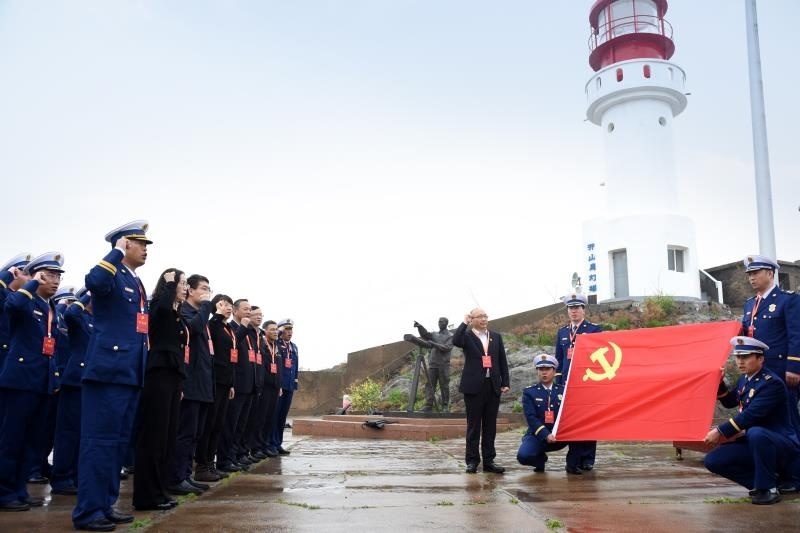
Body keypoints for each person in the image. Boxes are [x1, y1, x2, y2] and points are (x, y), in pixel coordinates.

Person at [72, 220, 152, 532]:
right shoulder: (111, 272)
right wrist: (115, 253)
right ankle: (88, 511)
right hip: (108, 371)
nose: (145, 249)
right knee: (99, 443)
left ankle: (105, 505)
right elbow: (94, 281)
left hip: (130, 372)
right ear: (124, 243)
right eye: (140, 243)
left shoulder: (135, 280)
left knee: (117, 445)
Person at [0, 252, 64, 512]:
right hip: (20, 381)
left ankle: (19, 490)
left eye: (58, 276)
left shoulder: (50, 308)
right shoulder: (25, 301)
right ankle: (4, 492)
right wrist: (32, 283)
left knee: (32, 441)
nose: (55, 281)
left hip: (42, 382)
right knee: (11, 439)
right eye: (49, 275)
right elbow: (12, 306)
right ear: (36, 274)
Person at [703, 336, 800, 505]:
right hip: (757, 443)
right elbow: (730, 401)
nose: (740, 361)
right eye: (738, 357)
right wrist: (719, 382)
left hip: (781, 446)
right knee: (713, 460)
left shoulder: (771, 384)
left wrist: (719, 432)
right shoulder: (746, 379)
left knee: (756, 432)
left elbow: (750, 416)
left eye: (745, 357)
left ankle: (767, 489)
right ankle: (765, 484)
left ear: (760, 359)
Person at [133, 269, 187, 511]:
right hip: (158, 375)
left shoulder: (177, 312)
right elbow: (159, 315)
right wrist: (167, 286)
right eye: (182, 283)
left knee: (167, 437)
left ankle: (160, 490)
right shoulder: (159, 305)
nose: (185, 287)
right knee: (154, 437)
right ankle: (147, 496)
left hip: (173, 376)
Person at [740, 255, 800, 426]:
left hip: (780, 370)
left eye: (756, 273)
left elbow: (797, 334)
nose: (751, 277)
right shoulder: (749, 304)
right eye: (749, 274)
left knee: (788, 416)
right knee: (758, 416)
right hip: (756, 370)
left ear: (770, 273)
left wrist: (794, 366)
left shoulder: (788, 300)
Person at [170, 274, 215, 493]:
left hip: (203, 384)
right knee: (185, 433)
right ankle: (177, 476)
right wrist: (206, 306)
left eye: (209, 289)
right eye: (204, 288)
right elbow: (193, 330)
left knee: (195, 433)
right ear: (191, 290)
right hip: (190, 383)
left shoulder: (200, 315)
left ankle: (186, 474)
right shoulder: (185, 313)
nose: (207, 293)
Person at [452, 308, 509, 474]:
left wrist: (505, 382)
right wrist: (464, 323)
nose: (484, 319)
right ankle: (472, 461)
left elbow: (502, 360)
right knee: (474, 425)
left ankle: (489, 461)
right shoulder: (467, 336)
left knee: (490, 426)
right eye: (480, 316)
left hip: (492, 385)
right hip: (474, 387)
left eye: (486, 316)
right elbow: (456, 340)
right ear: (472, 319)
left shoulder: (495, 337)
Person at [51, 286, 93, 496]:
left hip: (90, 382)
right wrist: (88, 295)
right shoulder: (79, 316)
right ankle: (61, 477)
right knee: (68, 432)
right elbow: (72, 313)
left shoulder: (99, 320)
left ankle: (76, 475)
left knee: (83, 433)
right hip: (75, 379)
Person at [554, 293, 602, 471]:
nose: (573, 311)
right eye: (570, 308)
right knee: (574, 420)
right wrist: (559, 381)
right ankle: (575, 456)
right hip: (567, 383)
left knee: (589, 420)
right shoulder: (562, 332)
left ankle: (588, 457)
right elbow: (559, 358)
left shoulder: (594, 330)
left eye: (577, 308)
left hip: (587, 382)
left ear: (583, 309)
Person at [517, 354, 584, 474]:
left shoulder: (564, 391)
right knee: (523, 456)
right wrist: (545, 434)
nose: (544, 373)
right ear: (537, 371)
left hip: (561, 434)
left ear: (554, 371)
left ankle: (572, 465)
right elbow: (531, 418)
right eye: (541, 369)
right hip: (539, 435)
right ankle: (540, 460)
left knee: (580, 431)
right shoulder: (529, 392)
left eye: (547, 369)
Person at [196, 293, 236, 480]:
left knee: (218, 424)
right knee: (209, 424)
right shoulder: (212, 324)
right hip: (214, 380)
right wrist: (216, 313)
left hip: (225, 381)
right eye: (224, 304)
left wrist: (231, 383)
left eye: (230, 305)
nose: (228, 307)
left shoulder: (226, 328)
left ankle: (210, 463)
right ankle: (202, 465)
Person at [217, 299, 255, 473]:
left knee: (240, 425)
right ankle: (225, 459)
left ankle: (235, 456)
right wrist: (244, 328)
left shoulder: (248, 330)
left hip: (248, 384)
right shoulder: (232, 328)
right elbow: (232, 347)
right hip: (235, 383)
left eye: (250, 309)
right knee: (230, 424)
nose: (248, 312)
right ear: (236, 311)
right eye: (245, 309)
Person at [270, 318, 298, 455]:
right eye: (286, 329)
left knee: (282, 416)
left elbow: (295, 366)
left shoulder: (294, 347)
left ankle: (278, 443)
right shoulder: (276, 344)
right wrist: (278, 334)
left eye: (291, 329)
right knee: (274, 415)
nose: (289, 332)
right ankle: (271, 443)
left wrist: (295, 383)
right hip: (279, 385)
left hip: (289, 385)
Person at [0, 253, 33, 371]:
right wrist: (7, 275)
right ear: (15, 274)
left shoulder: (26, 301)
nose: (30, 279)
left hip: (16, 361)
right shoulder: (3, 294)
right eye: (25, 274)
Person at [414, 317, 454, 412]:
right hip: (433, 364)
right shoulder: (434, 334)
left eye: (441, 321)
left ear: (446, 323)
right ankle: (428, 405)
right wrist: (420, 327)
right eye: (439, 321)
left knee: (444, 386)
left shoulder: (451, 336)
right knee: (430, 385)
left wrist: (433, 343)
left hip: (443, 365)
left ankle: (445, 406)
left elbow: (446, 348)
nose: (439, 323)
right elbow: (426, 335)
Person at [259, 320, 283, 457]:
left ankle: (267, 444)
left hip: (275, 386)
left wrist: (279, 385)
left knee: (271, 418)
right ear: (265, 331)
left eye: (276, 330)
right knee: (261, 418)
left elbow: (278, 367)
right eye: (272, 329)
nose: (275, 332)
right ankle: (259, 446)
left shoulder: (276, 346)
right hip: (265, 386)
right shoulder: (262, 344)